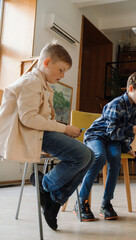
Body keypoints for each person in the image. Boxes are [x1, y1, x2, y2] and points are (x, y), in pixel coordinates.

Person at [0, 42, 95, 230]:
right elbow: (28, 119)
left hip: (40, 132)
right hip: (31, 134)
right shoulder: (31, 82)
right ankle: (45, 185)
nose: (62, 76)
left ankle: (54, 201)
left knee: (90, 156)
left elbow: (40, 118)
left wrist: (63, 128)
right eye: (60, 70)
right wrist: (64, 128)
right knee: (83, 155)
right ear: (47, 62)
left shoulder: (41, 83)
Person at [75, 72, 136, 221]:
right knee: (99, 157)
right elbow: (113, 132)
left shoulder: (134, 107)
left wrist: (126, 146)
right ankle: (81, 201)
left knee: (115, 159)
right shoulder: (116, 104)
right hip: (97, 136)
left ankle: (106, 204)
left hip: (113, 140)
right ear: (130, 88)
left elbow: (124, 132)